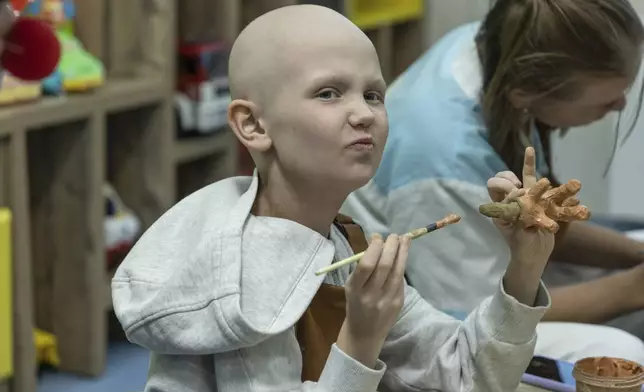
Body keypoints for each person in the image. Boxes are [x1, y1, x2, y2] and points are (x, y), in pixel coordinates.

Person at [112, 5, 555, 391]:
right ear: (253, 126)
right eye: (328, 93)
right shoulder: (244, 281)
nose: (363, 113)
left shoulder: (345, 242)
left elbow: (469, 377)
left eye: (373, 94)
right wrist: (361, 341)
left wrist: (523, 267)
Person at [341, 0, 644, 364]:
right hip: (437, 318)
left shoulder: (502, 47)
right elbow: (479, 315)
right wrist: (632, 290)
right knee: (622, 352)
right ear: (527, 94)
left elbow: (542, 223)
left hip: (473, 255)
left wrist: (637, 256)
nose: (621, 105)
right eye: (607, 100)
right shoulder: (444, 157)